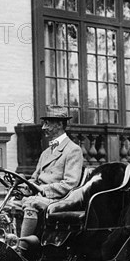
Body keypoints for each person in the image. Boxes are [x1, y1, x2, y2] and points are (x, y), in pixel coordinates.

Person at [18, 106, 83, 249]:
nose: (43, 127)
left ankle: (21, 251)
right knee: (6, 205)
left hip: (59, 200)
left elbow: (70, 184)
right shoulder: (46, 152)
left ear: (60, 124)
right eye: (44, 123)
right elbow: (34, 178)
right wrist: (23, 187)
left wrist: (42, 190)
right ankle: (8, 244)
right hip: (40, 196)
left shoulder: (73, 150)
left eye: (47, 123)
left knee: (31, 203)